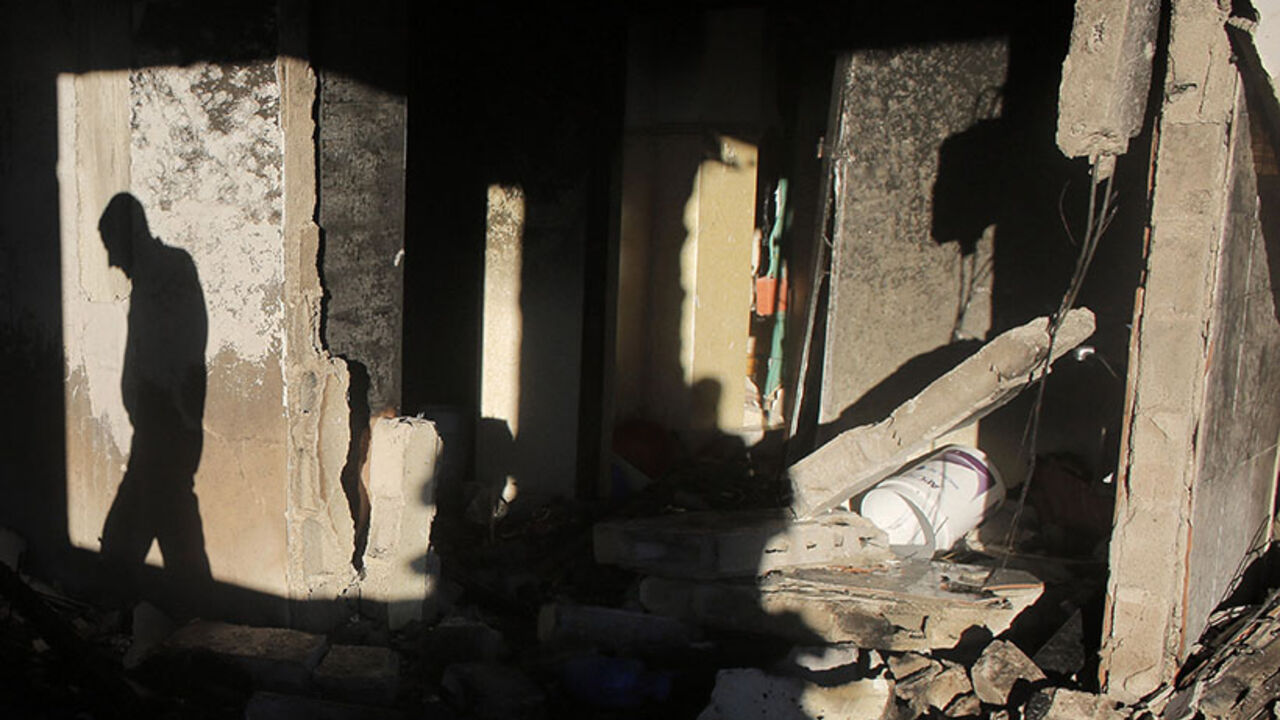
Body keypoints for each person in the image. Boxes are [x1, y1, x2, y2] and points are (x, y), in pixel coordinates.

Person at [97, 193, 212, 602]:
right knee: (160, 525)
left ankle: (195, 616)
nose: (111, 261)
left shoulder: (170, 270)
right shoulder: (151, 278)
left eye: (111, 246)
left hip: (167, 425)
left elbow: (185, 344)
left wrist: (169, 406)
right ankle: (186, 613)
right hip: (153, 426)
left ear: (128, 236)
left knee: (160, 527)